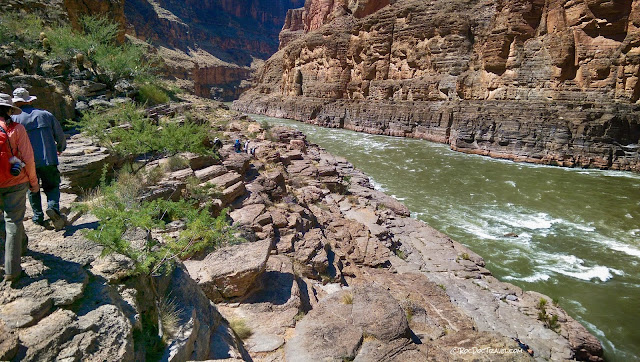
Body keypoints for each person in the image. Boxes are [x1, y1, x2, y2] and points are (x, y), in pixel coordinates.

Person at [12, 88, 67, 231]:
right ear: (30, 100)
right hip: (48, 158)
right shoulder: (45, 115)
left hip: (26, 162)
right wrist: (61, 147)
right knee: (52, 186)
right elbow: (59, 134)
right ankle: (53, 208)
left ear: (16, 103)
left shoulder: (13, 120)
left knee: (32, 188)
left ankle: (38, 217)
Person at [0, 94, 38, 285]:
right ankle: (12, 271)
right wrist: (34, 183)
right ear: (9, 110)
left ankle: (8, 257)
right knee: (13, 222)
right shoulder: (16, 129)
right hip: (15, 182)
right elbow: (28, 158)